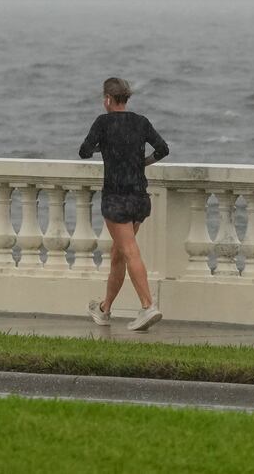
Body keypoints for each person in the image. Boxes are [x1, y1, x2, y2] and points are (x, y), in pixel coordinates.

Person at [78, 76, 168, 331]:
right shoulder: (141, 122)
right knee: (118, 254)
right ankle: (105, 309)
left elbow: (84, 151)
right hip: (140, 198)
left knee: (129, 251)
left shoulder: (103, 123)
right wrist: (142, 162)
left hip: (116, 199)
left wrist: (104, 149)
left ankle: (148, 306)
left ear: (107, 99)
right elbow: (163, 149)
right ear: (126, 98)